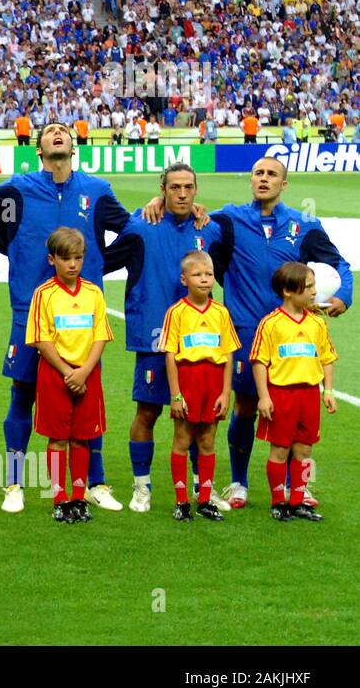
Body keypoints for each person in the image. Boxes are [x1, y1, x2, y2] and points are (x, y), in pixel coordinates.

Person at [0, 123, 130, 513]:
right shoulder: (17, 189)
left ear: (73, 146)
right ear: (38, 148)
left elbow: (133, 230)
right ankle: (13, 482)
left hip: (81, 314)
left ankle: (95, 482)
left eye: (64, 131)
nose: (58, 133)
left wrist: (99, 266)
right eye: (50, 131)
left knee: (86, 397)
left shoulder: (97, 190)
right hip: (31, 311)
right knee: (22, 393)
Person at [204, 158, 352, 509]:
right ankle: (239, 483)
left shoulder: (304, 225)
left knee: (294, 411)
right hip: (245, 331)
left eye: (272, 174)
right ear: (251, 179)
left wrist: (342, 297)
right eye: (258, 173)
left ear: (284, 184)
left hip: (293, 338)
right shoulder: (229, 219)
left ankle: (295, 487)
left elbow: (340, 266)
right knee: (245, 406)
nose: (264, 179)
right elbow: (196, 233)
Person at [103, 163, 225, 513]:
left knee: (203, 418)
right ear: (163, 189)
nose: (182, 193)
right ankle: (142, 488)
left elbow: (233, 268)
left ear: (197, 190)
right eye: (174, 187)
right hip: (155, 338)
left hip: (203, 343)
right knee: (148, 411)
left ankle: (204, 490)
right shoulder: (142, 226)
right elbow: (104, 262)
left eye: (188, 187)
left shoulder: (210, 230)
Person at [26, 228, 112, 524]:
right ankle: (60, 498)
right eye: (66, 259)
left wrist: (84, 371)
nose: (72, 264)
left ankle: (79, 496)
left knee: (82, 438)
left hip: (88, 374)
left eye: (77, 258)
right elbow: (41, 338)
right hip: (55, 374)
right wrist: (67, 372)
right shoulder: (43, 295)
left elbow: (100, 335)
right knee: (58, 438)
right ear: (52, 260)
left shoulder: (93, 293)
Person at [251, 263, 338, 523]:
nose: (314, 292)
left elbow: (327, 357)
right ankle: (278, 502)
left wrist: (328, 390)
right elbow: (259, 361)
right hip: (282, 394)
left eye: (314, 286)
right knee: (279, 450)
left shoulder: (316, 323)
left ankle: (298, 502)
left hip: (309, 394)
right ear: (288, 291)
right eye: (309, 287)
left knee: (304, 449)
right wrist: (264, 396)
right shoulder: (271, 324)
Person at [160, 251, 239, 523]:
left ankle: (205, 499)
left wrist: (225, 393)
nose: (204, 280)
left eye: (208, 274)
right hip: (188, 381)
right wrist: (175, 395)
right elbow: (170, 354)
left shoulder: (221, 312)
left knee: (207, 441)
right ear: (184, 279)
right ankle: (181, 501)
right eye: (197, 275)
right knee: (182, 440)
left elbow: (228, 355)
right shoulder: (177, 312)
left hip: (214, 382)